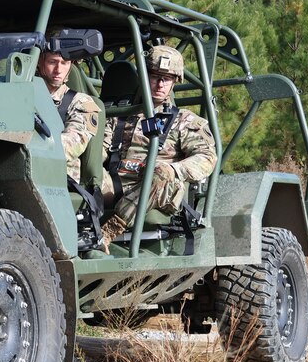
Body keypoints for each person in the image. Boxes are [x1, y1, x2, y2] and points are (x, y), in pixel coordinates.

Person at [101, 44, 217, 236]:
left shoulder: (185, 120)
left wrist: (175, 169)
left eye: (168, 78)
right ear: (145, 77)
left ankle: (110, 231)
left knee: (161, 172)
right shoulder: (120, 115)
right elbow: (101, 148)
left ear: (174, 82)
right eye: (155, 76)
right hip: (118, 181)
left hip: (160, 188)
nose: (160, 84)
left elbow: (207, 157)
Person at [37, 49, 103, 183]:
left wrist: (31, 147)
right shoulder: (23, 95)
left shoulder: (82, 103)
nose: (58, 69)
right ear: (39, 61)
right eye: (52, 62)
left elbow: (73, 144)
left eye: (64, 63)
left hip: (59, 178)